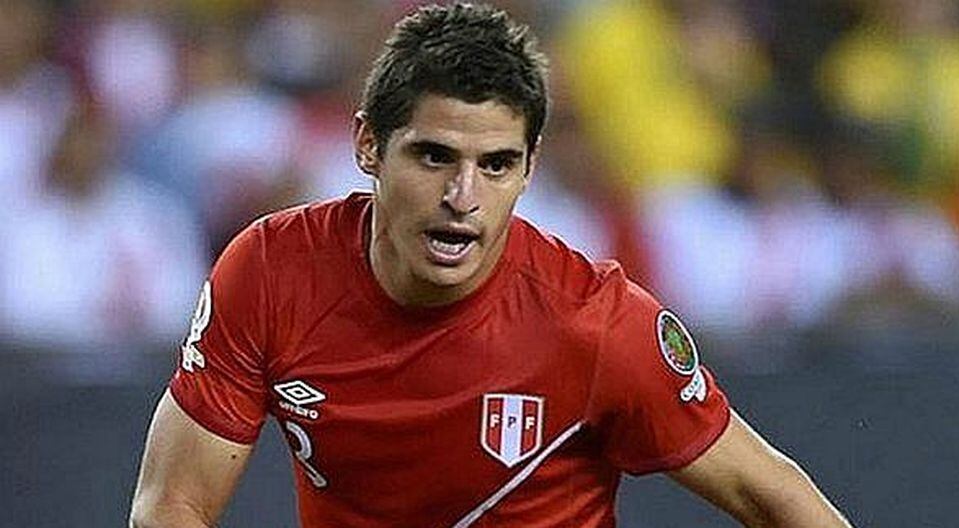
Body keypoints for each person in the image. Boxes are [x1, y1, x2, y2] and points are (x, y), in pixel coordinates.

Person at [129, 3, 853, 527]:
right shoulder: (272, 272)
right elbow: (174, 505)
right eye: (434, 156)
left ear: (529, 167)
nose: (462, 197)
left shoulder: (596, 324)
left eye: (497, 164)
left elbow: (776, 499)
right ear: (368, 146)